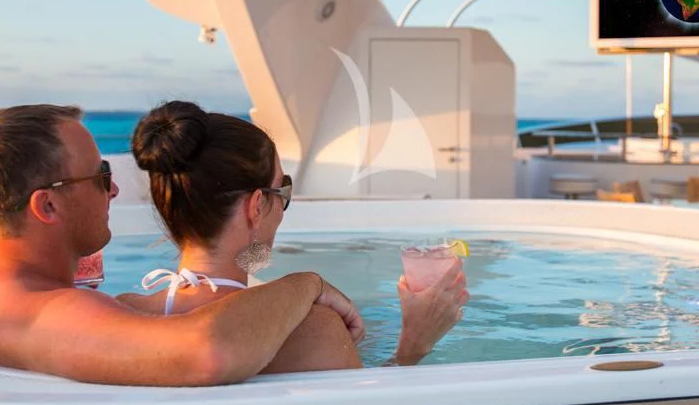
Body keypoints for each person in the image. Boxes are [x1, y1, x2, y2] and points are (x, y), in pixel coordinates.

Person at [0, 104, 364, 386]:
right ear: (47, 207)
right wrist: (306, 284)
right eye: (100, 175)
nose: (113, 188)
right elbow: (207, 352)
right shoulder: (62, 314)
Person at [118, 100, 469, 372]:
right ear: (257, 206)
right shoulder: (314, 330)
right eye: (282, 191)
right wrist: (414, 346)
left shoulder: (121, 317)